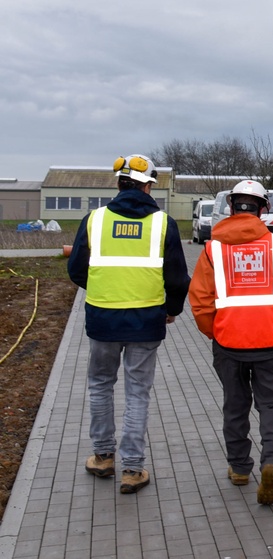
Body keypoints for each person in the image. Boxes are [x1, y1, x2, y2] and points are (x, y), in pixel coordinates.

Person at [67, 153, 190, 494]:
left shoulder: (95, 219)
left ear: (119, 184)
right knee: (138, 393)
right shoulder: (164, 223)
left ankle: (103, 457)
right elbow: (178, 278)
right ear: (148, 185)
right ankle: (132, 470)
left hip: (103, 319)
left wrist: (106, 290)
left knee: (100, 385)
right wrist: (172, 309)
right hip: (147, 321)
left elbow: (77, 270)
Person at [187, 180, 273, 505]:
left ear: (230, 206)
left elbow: (199, 299)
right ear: (263, 209)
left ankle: (240, 468)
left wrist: (214, 331)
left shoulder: (212, 250)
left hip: (229, 343)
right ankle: (271, 461)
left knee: (235, 403)